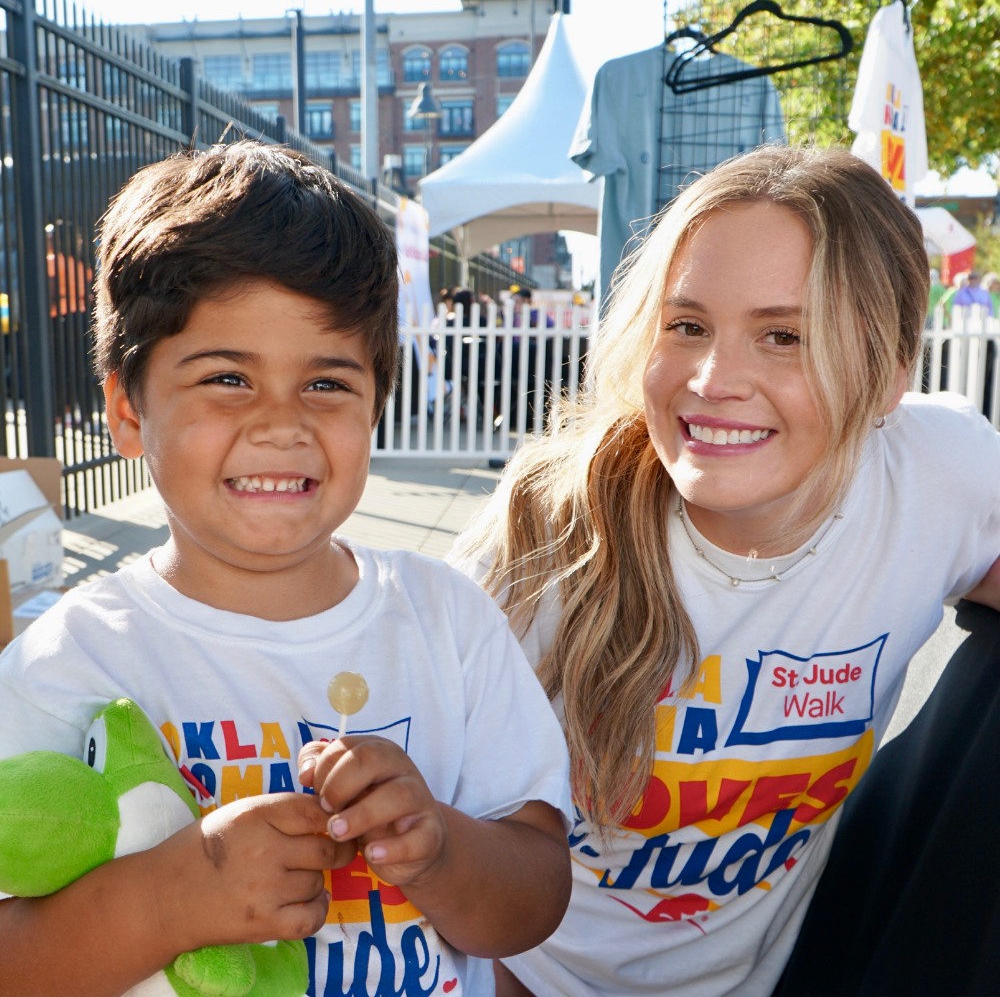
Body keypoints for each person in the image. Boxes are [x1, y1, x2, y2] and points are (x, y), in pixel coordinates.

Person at [0, 142, 573, 997]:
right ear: (127, 412)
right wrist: (173, 897)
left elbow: (534, 899)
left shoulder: (445, 619)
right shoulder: (66, 666)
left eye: (328, 384)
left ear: (377, 400)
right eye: (227, 377)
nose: (281, 424)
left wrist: (440, 847)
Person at [452, 145, 1000, 997]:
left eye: (783, 336)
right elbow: (427, 819)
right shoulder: (549, 532)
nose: (713, 381)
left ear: (890, 374)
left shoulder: (938, 476)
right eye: (688, 326)